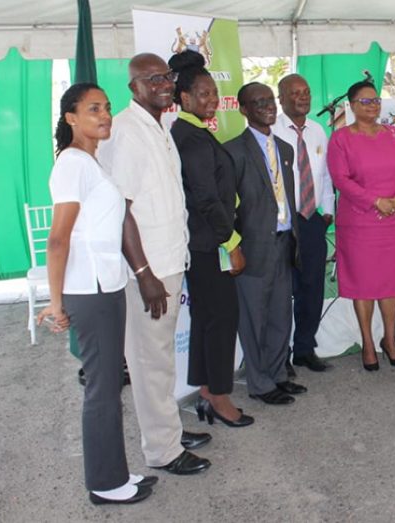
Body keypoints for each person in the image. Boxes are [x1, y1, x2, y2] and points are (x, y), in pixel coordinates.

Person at [38, 83, 154, 505]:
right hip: (89, 288)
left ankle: (115, 472)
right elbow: (57, 240)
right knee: (102, 389)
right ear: (70, 117)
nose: (104, 115)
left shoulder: (90, 161)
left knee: (107, 384)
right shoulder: (72, 164)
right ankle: (106, 484)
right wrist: (56, 301)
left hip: (106, 282)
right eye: (92, 109)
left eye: (106, 108)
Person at [97, 53, 211, 476]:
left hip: (168, 259)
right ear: (134, 87)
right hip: (149, 269)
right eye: (153, 78)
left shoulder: (159, 125)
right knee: (148, 361)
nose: (164, 83)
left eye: (167, 76)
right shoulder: (127, 133)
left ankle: (169, 432)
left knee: (160, 357)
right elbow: (121, 210)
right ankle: (162, 450)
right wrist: (143, 274)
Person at [168, 51, 253, 428]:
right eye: (203, 94)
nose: (212, 100)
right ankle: (219, 395)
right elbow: (205, 198)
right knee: (221, 319)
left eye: (214, 93)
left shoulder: (192, 131)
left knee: (206, 317)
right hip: (210, 243)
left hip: (202, 244)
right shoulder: (191, 138)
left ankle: (205, 390)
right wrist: (232, 242)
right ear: (184, 98)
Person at [222, 82, 307, 405]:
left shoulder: (284, 148)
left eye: (269, 100)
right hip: (253, 247)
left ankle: (277, 374)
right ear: (244, 109)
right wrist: (234, 247)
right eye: (258, 103)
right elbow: (226, 206)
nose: (268, 107)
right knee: (254, 317)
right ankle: (259, 383)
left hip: (285, 242)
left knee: (280, 314)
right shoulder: (233, 151)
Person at [326, 80, 395, 370]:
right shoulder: (341, 139)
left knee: (390, 284)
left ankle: (389, 340)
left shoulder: (394, 134)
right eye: (365, 101)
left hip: (392, 221)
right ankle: (367, 342)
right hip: (359, 223)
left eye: (376, 100)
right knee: (363, 286)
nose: (373, 105)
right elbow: (341, 179)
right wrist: (375, 201)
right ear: (352, 106)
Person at [272, 73, 335, 373]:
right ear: (281, 97)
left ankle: (305, 349)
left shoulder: (318, 131)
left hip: (312, 219)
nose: (304, 97)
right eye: (295, 92)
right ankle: (279, 355)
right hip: (282, 222)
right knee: (283, 290)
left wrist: (327, 213)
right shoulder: (269, 130)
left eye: (307, 91)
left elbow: (324, 176)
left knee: (312, 286)